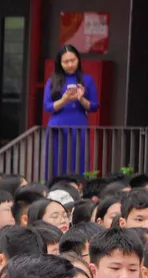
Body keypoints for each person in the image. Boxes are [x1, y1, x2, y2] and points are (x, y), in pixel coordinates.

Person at [44, 45, 99, 179]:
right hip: (57, 126)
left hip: (78, 125)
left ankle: (77, 188)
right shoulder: (53, 81)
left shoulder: (87, 80)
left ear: (78, 60)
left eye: (73, 60)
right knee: (56, 162)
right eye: (66, 62)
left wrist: (81, 98)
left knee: (78, 161)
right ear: (60, 63)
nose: (70, 65)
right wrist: (64, 100)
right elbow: (48, 106)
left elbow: (94, 106)